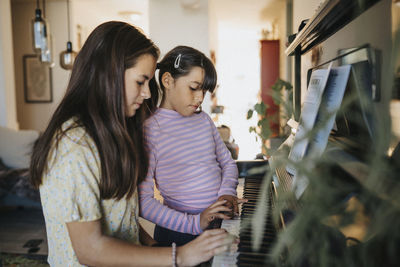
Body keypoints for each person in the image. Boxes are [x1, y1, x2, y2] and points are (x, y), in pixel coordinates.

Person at [29, 22, 232, 267]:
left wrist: (152, 246)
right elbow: (90, 250)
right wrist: (179, 256)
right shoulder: (74, 146)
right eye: (140, 81)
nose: (148, 93)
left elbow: (120, 216)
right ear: (109, 74)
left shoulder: (109, 133)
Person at [139, 46, 245, 247]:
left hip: (218, 223)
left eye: (204, 90)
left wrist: (227, 193)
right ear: (168, 81)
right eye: (194, 87)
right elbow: (144, 203)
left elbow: (228, 163)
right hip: (180, 234)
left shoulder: (204, 120)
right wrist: (195, 223)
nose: (200, 98)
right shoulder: (151, 130)